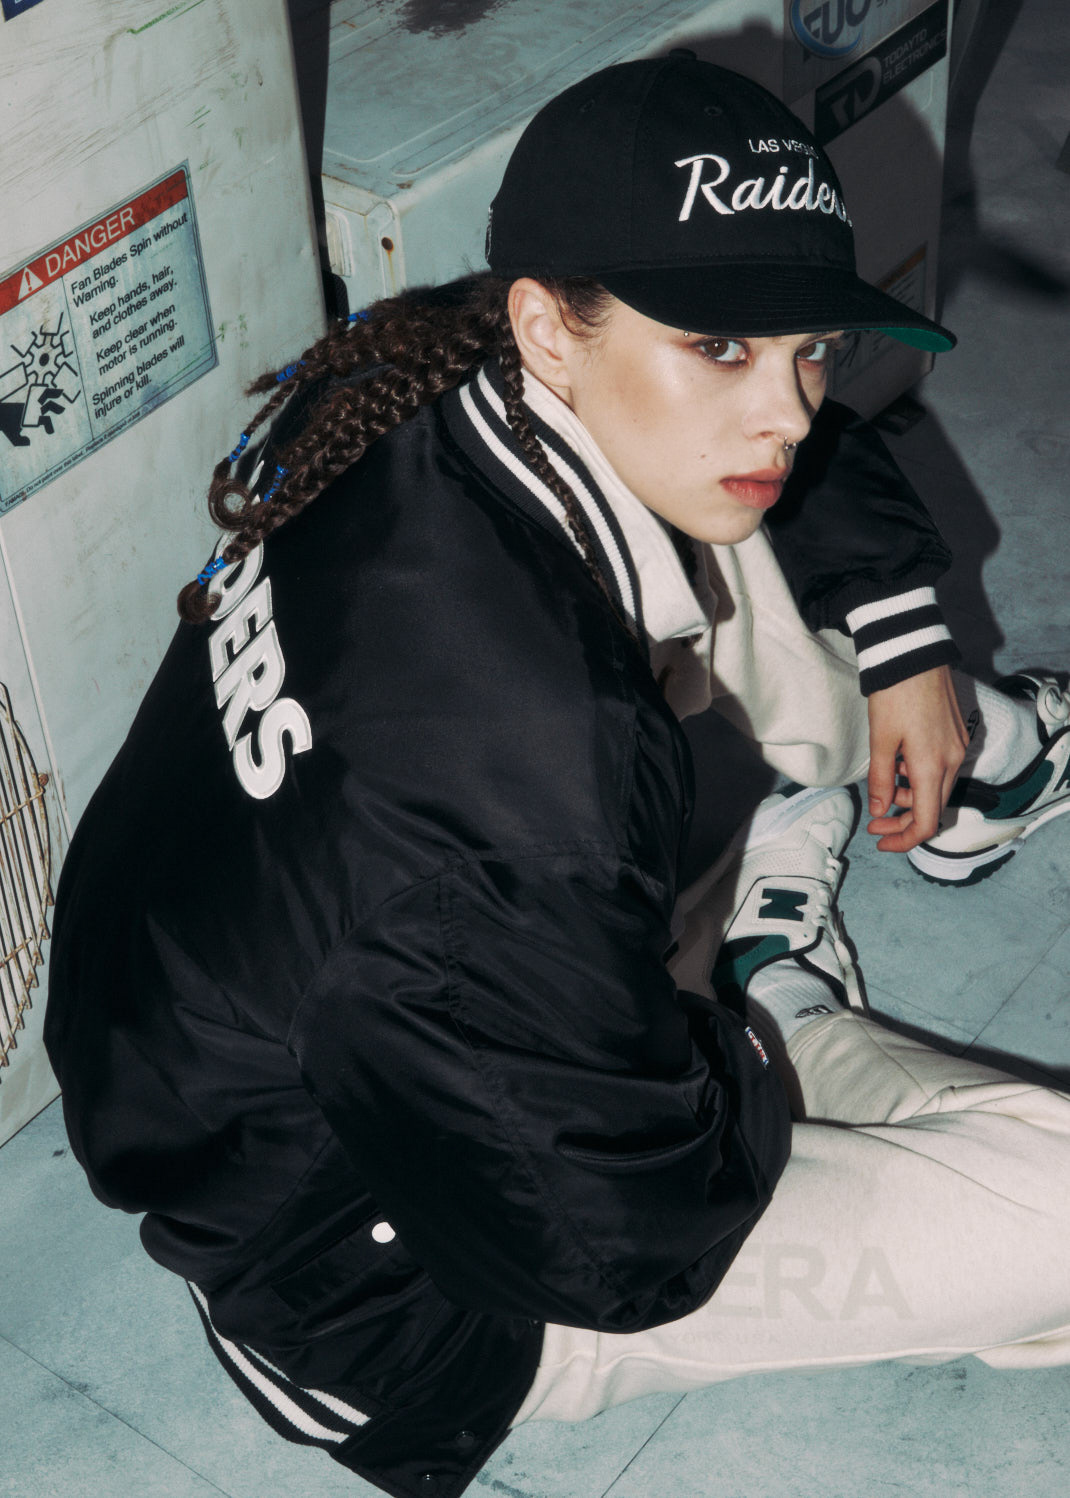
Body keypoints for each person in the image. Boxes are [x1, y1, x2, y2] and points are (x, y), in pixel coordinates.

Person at [44, 53, 1070, 1498]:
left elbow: (784, 444)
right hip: (394, 1295)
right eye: (723, 346)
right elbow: (621, 1248)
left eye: (811, 347)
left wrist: (902, 639)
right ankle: (777, 995)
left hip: (259, 1042)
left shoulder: (423, 386)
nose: (787, 408)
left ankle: (935, 783)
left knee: (733, 522)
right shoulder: (528, 788)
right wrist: (727, 1052)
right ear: (546, 321)